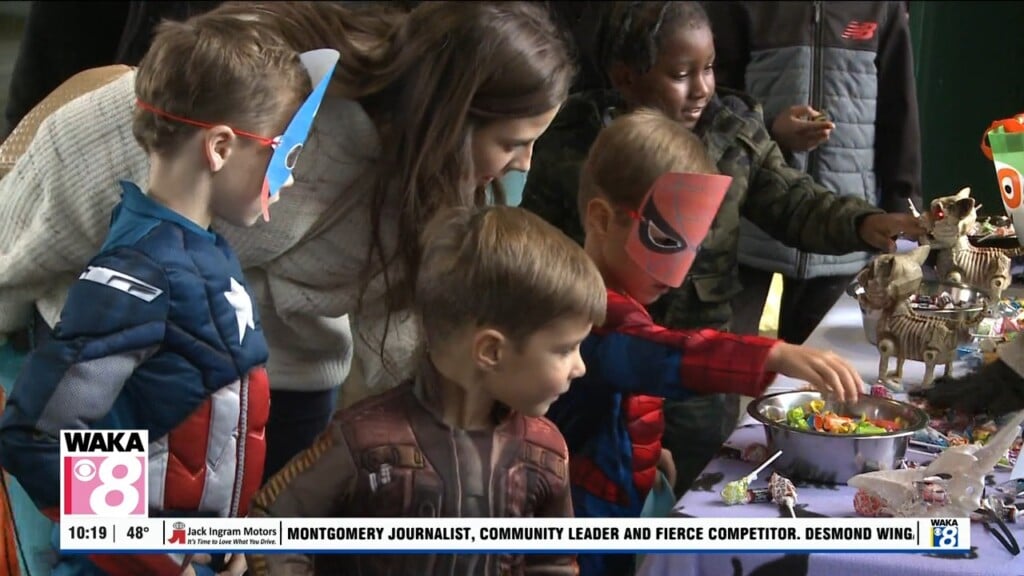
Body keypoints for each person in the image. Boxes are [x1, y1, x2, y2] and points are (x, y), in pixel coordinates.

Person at [0, 1, 574, 483]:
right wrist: (151, 548)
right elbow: (64, 457)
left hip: (266, 393)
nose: (524, 164)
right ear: (221, 147)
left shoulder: (420, 182)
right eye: (512, 143)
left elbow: (399, 338)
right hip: (142, 401)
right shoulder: (128, 285)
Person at [520, 0, 925, 497]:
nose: (702, 89)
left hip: (697, 384)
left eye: (709, 69)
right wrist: (772, 354)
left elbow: (793, 201)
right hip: (599, 374)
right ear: (626, 78)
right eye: (680, 74)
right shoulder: (573, 146)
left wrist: (865, 223)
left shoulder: (733, 129)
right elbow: (545, 266)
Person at [0, 11, 331, 575]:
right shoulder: (139, 278)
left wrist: (218, 544)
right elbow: (40, 437)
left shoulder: (202, 254)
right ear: (220, 147)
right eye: (285, 153)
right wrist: (160, 558)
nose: (290, 177)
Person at [545, 108, 863, 576]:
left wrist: (644, 452)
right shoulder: (589, 312)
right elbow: (659, 355)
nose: (682, 268)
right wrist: (771, 353)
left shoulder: (621, 299)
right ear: (601, 219)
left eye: (693, 246)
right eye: (666, 239)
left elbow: (615, 396)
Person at [248, 205, 601, 576]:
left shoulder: (545, 454)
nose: (580, 367)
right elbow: (273, 528)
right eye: (565, 349)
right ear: (491, 351)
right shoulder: (363, 442)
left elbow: (552, 563)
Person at [704, 1, 923, 345]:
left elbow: (899, 110)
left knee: (815, 366)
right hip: (748, 216)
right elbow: (713, 98)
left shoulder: (882, 6)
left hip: (840, 225)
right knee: (721, 358)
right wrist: (770, 128)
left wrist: (903, 206)